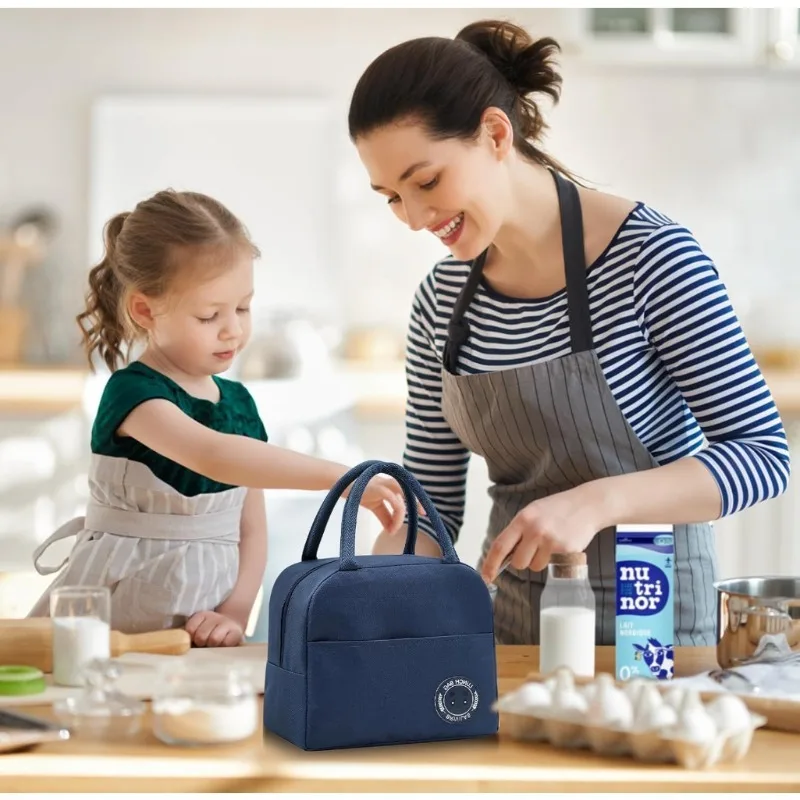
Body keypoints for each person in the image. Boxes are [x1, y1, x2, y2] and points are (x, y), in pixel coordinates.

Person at [346, 19, 792, 646]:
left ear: (495, 134)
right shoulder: (441, 301)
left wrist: (595, 503)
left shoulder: (651, 259)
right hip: (515, 627)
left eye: (426, 182)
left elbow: (762, 459)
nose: (415, 218)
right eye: (391, 197)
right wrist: (379, 576)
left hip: (653, 624)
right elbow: (435, 506)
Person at [28, 189, 412, 647]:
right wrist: (344, 479)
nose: (233, 329)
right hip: (110, 620)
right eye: (210, 315)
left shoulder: (239, 404)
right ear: (145, 309)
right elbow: (212, 455)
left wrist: (235, 611)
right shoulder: (134, 394)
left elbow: (251, 528)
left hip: (201, 632)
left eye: (244, 307)